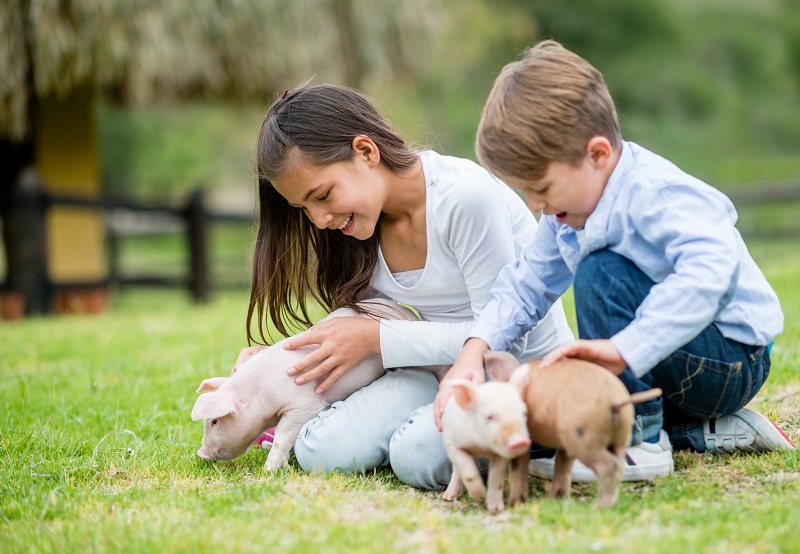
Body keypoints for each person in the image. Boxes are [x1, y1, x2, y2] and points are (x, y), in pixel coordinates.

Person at [434, 40, 794, 483]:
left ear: (598, 154)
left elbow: (710, 273)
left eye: (542, 187)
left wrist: (624, 349)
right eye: (527, 191)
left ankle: (638, 440)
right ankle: (706, 432)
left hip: (730, 360)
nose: (535, 205)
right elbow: (526, 284)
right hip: (673, 367)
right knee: (553, 426)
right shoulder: (567, 213)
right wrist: (476, 348)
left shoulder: (655, 193)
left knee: (601, 272)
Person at [239, 83, 574, 490]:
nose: (318, 220)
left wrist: (379, 337)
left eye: (323, 195)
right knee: (320, 452)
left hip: (513, 378)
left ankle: (528, 442)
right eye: (303, 209)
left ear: (365, 151)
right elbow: (367, 334)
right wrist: (274, 367)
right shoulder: (358, 229)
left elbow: (503, 340)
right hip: (431, 373)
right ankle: (412, 427)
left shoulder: (464, 198)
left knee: (418, 458)